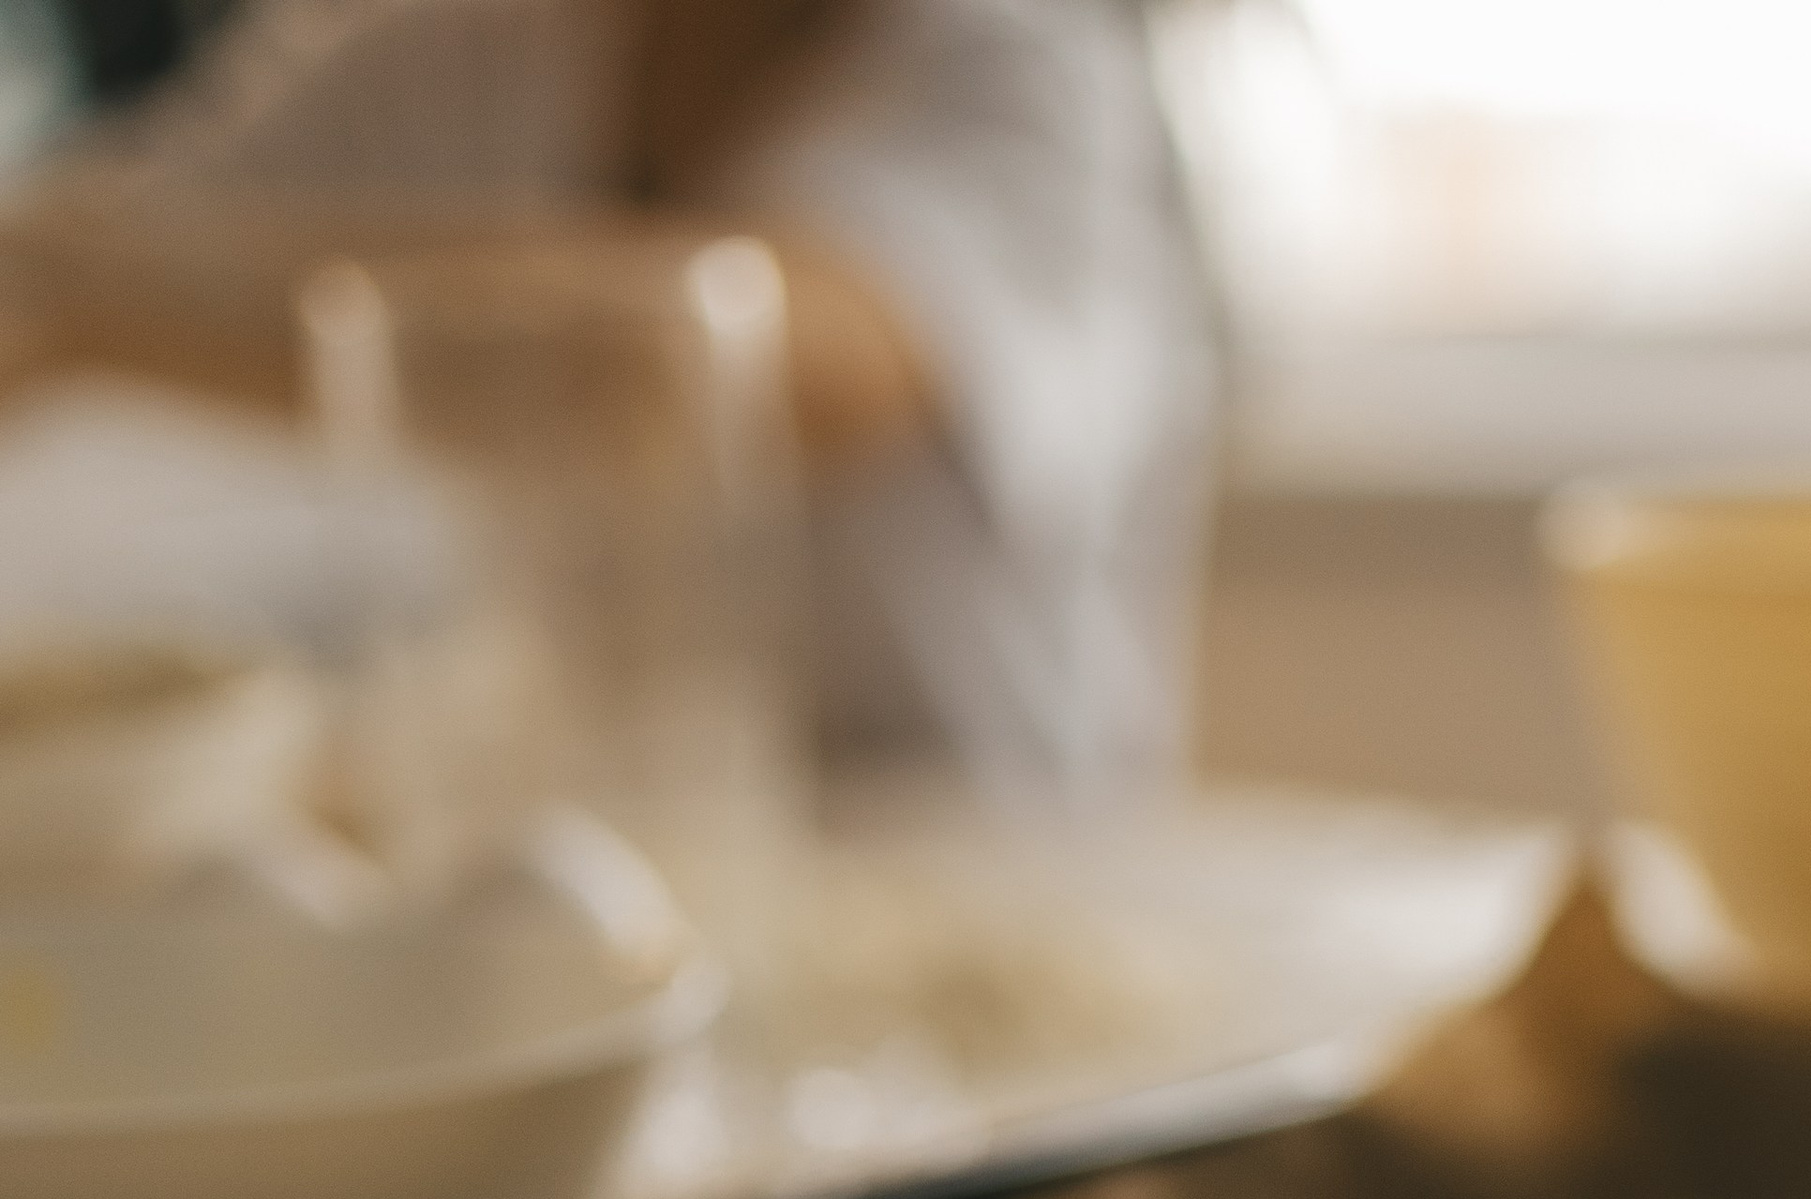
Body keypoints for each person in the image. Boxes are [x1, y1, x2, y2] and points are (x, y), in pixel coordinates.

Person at [0, 0, 1220, 784]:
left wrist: (94, 296)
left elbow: (708, 376)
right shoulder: (468, 50)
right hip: (629, 876)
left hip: (995, 904)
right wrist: (58, 285)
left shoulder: (1019, 68)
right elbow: (71, 246)